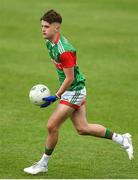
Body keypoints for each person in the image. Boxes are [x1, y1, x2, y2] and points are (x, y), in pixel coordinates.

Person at [24, 9, 134, 175]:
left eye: (47, 26)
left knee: (52, 125)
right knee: (83, 128)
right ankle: (122, 138)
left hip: (74, 90)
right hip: (73, 89)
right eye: (42, 26)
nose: (43, 29)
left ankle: (43, 164)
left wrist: (56, 96)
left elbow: (70, 78)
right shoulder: (49, 42)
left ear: (57, 28)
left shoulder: (65, 50)